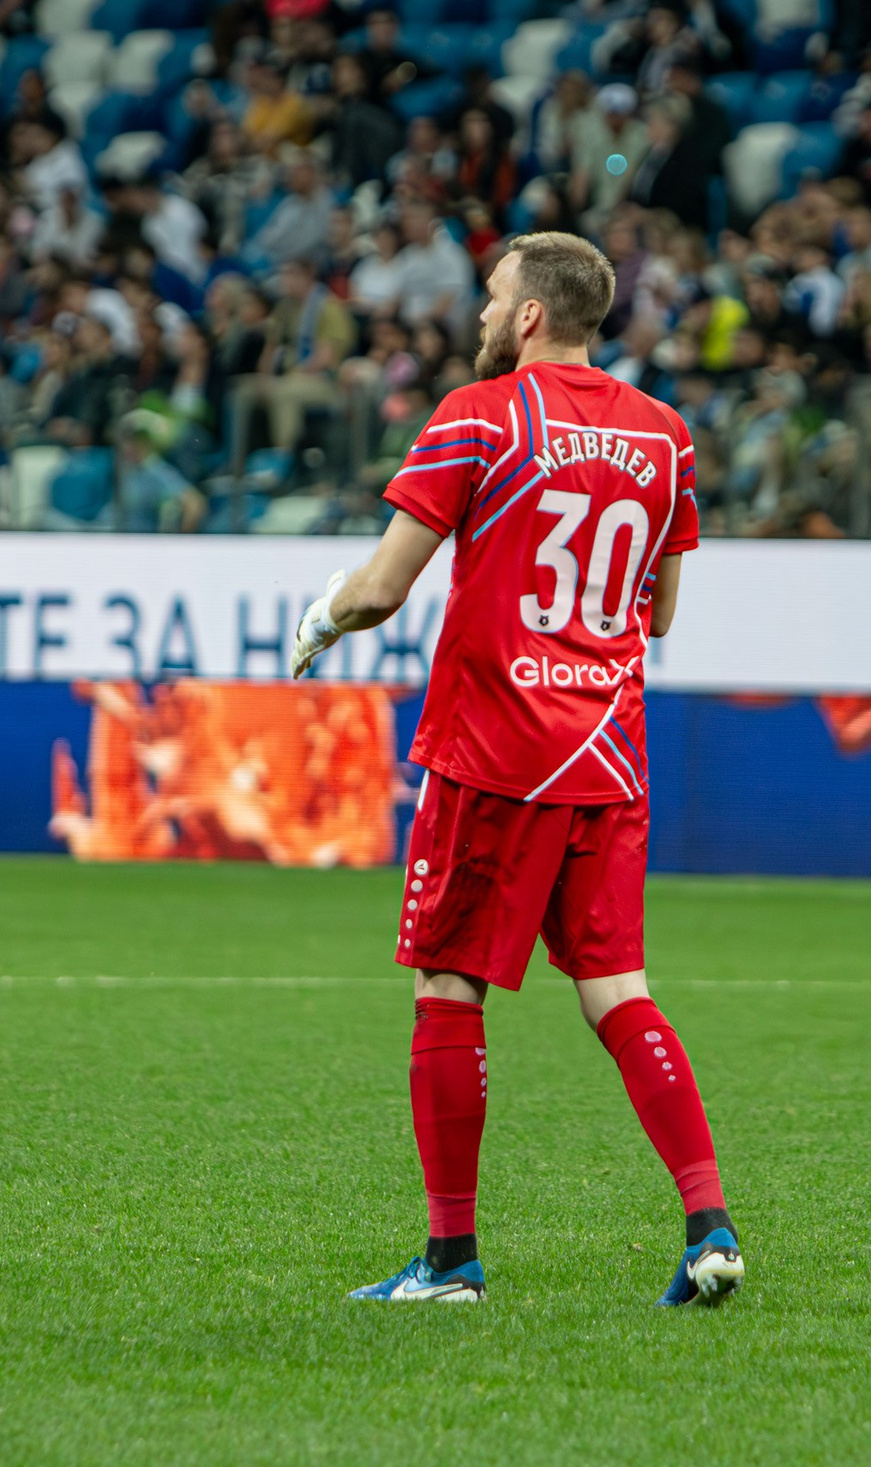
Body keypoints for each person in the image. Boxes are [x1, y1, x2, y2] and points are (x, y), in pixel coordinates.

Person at [290, 232, 742, 1310]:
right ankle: (709, 1227)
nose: (485, 313)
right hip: (607, 756)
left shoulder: (477, 416)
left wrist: (320, 616)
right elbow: (660, 611)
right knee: (617, 992)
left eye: (495, 297)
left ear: (530, 316)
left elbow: (381, 591)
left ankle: (450, 1263)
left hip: (494, 753)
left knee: (448, 986)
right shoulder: (665, 433)